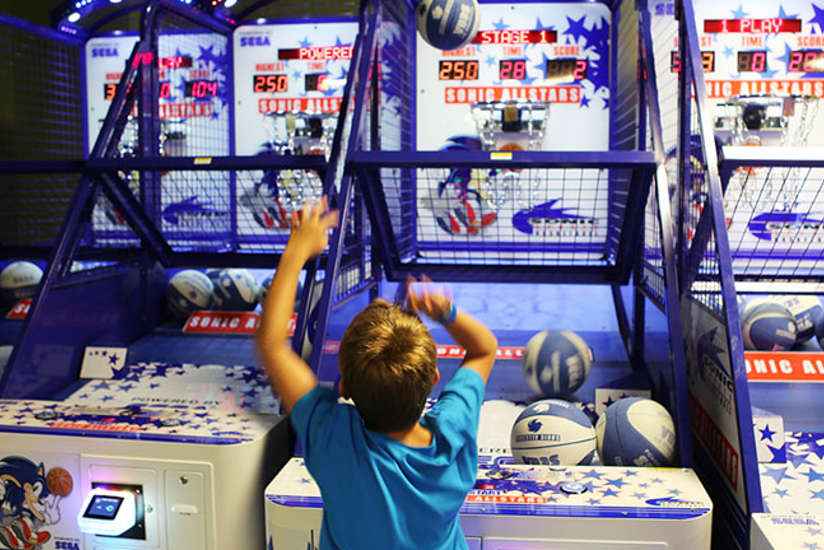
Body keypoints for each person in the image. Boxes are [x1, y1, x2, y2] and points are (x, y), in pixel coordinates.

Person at [256, 197, 498, 549]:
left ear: (344, 387)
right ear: (431, 382)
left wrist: (297, 251)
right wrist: (445, 312)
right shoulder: (452, 436)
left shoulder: (334, 437)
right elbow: (484, 349)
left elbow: (272, 344)